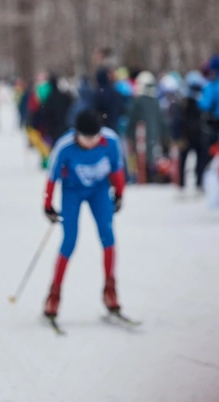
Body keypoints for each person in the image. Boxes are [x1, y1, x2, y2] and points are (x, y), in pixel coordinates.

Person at [42, 109, 126, 319]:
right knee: (69, 240)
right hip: (73, 191)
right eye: (86, 138)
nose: (91, 142)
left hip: (99, 190)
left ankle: (110, 291)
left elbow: (117, 169)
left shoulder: (111, 141)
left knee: (107, 235)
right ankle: (54, 294)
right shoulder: (65, 146)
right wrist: (48, 204)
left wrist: (119, 193)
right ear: (76, 134)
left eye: (95, 137)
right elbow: (52, 176)